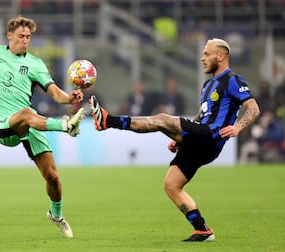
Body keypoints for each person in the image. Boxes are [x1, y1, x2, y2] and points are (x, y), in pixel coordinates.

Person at [89, 38, 260, 242]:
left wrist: (238, 127)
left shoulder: (233, 80)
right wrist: (180, 139)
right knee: (171, 184)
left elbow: (253, 108)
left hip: (210, 136)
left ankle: (108, 121)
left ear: (221, 56)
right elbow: (201, 116)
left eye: (206, 54)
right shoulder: (208, 85)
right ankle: (202, 230)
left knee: (161, 119)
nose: (202, 58)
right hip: (200, 138)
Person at [0, 16, 86, 238]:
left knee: (53, 178)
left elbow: (55, 93)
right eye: (21, 36)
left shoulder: (36, 64)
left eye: (28, 37)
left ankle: (56, 215)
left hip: (30, 124)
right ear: (9, 35)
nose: (25, 40)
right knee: (29, 114)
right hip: (2, 124)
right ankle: (66, 126)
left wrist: (70, 98)